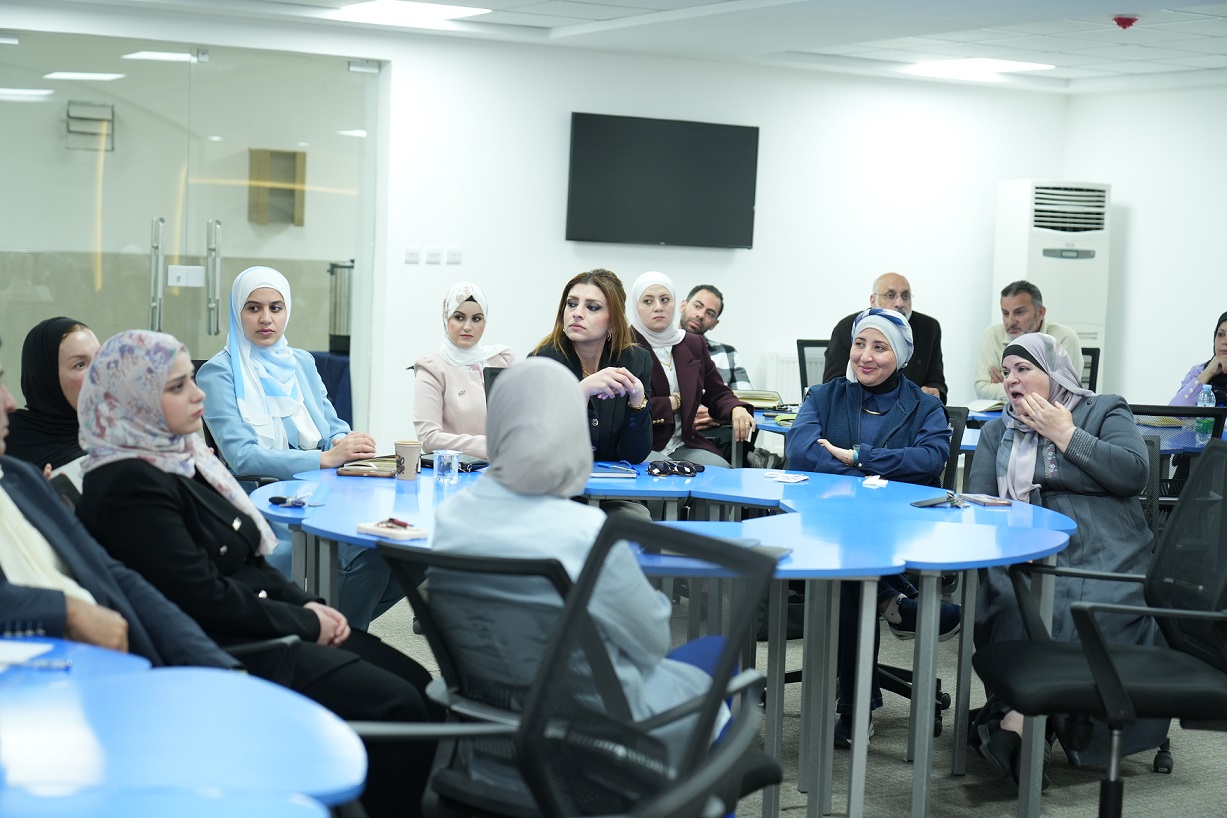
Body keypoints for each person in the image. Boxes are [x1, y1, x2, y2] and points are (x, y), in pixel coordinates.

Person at [75, 329, 435, 818]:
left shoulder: (180, 458)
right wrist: (305, 622)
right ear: (133, 399)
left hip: (261, 621)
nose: (198, 394)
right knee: (400, 705)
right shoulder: (128, 484)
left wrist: (309, 605)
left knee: (419, 681)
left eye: (191, 381)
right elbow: (202, 599)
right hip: (234, 648)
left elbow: (250, 562)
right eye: (177, 386)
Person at [430, 357, 724, 777]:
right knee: (718, 656)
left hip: (493, 739)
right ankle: (696, 797)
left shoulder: (450, 519)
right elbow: (652, 642)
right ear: (570, 431)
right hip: (601, 747)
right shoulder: (586, 533)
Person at [969, 332, 1161, 782]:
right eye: (1007, 372)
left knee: (1076, 602)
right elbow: (978, 501)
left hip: (1105, 538)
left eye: (1024, 369)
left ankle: (1019, 721)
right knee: (1008, 595)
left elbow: (1133, 474)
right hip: (1027, 539)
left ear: (1055, 373)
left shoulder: (1102, 409)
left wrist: (1065, 434)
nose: (1012, 380)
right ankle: (1025, 723)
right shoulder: (998, 430)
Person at [0, 339, 239, 669]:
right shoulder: (122, 478)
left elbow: (111, 573)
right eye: (80, 364)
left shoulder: (20, 478)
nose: (9, 402)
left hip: (119, 660)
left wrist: (218, 667)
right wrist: (67, 610)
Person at [785, 307, 957, 747]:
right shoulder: (824, 395)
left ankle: (857, 705)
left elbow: (930, 459)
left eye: (880, 347)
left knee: (852, 570)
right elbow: (801, 451)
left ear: (900, 355)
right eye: (859, 344)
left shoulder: (925, 406)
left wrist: (860, 458)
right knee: (854, 568)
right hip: (826, 524)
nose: (865, 355)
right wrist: (873, 478)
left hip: (895, 529)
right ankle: (891, 601)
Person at [197, 266, 398, 629]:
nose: (266, 318)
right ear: (236, 312)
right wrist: (325, 458)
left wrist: (345, 442)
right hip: (264, 501)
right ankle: (337, 634)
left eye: (276, 308)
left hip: (324, 490)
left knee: (393, 551)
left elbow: (332, 425)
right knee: (364, 554)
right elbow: (242, 457)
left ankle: (338, 632)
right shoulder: (218, 373)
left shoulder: (301, 362)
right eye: (253, 308)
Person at [630, 271, 755, 469]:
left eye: (665, 299)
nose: (658, 307)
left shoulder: (692, 343)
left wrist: (736, 408)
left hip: (683, 443)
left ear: (675, 303)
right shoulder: (624, 346)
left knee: (722, 471)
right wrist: (674, 402)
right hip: (642, 445)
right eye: (647, 301)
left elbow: (717, 392)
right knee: (667, 475)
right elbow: (623, 409)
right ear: (635, 307)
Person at [530, 268, 653, 465]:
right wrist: (580, 392)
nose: (577, 314)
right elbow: (542, 449)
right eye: (571, 304)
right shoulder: (541, 363)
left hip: (616, 481)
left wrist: (638, 401)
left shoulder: (636, 361)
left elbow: (635, 455)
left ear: (613, 322)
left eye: (592, 307)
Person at [412, 282, 514, 459]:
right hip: (453, 470)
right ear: (447, 319)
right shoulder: (432, 369)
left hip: (504, 468)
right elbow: (429, 439)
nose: (467, 326)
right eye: (459, 317)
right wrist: (489, 446)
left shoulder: (501, 361)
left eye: (476, 319)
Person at [4, 316, 100, 488]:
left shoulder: (118, 435)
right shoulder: (6, 438)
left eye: (100, 359)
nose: (98, 373)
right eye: (80, 365)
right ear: (47, 378)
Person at [822, 273, 947, 403]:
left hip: (914, 408)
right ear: (873, 300)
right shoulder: (848, 327)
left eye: (905, 296)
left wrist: (934, 391)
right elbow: (832, 384)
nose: (899, 303)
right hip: (859, 405)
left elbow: (936, 381)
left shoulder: (928, 327)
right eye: (890, 295)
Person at [678, 284, 754, 462]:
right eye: (697, 306)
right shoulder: (663, 349)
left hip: (717, 431)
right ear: (683, 305)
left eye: (710, 313)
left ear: (714, 324)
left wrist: (720, 414)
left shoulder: (728, 354)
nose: (700, 315)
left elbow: (746, 398)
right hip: (676, 431)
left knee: (734, 442)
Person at [975, 280, 1083, 402]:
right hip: (1003, 412)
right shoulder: (992, 334)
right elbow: (982, 390)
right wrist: (1040, 386)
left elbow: (1065, 392)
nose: (1010, 322)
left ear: (1040, 313)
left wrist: (1007, 385)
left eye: (1019, 312)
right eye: (1005, 313)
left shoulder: (1064, 336)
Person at [1170, 310, 1227, 406]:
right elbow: (1174, 411)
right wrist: (1208, 372)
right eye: (1221, 334)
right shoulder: (1199, 371)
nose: (1225, 341)